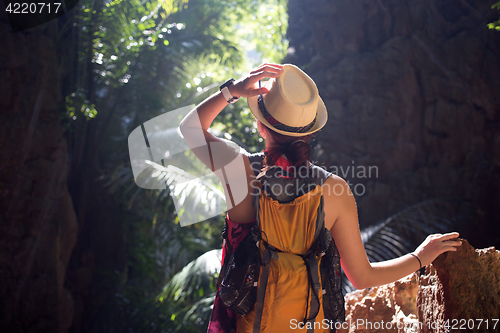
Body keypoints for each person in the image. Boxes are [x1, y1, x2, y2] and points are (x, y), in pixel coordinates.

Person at [179, 63, 462, 332]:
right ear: (312, 132)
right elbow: (362, 277)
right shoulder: (336, 191)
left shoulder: (238, 169)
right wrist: (419, 256)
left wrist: (232, 91)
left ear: (260, 125)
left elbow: (189, 128)